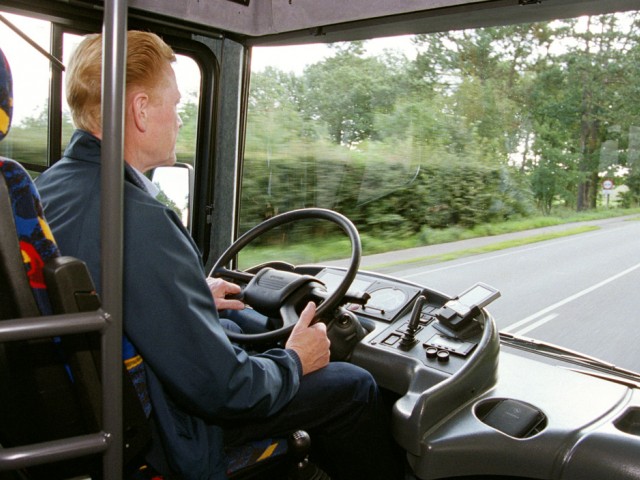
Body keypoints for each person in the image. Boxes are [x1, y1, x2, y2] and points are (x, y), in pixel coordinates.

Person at [35, 31, 402, 480]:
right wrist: (294, 360)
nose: (180, 118)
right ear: (142, 110)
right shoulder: (136, 217)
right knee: (355, 385)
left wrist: (187, 294)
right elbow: (224, 389)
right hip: (172, 434)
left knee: (234, 322)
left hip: (108, 402)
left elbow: (118, 293)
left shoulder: (48, 189)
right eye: (175, 104)